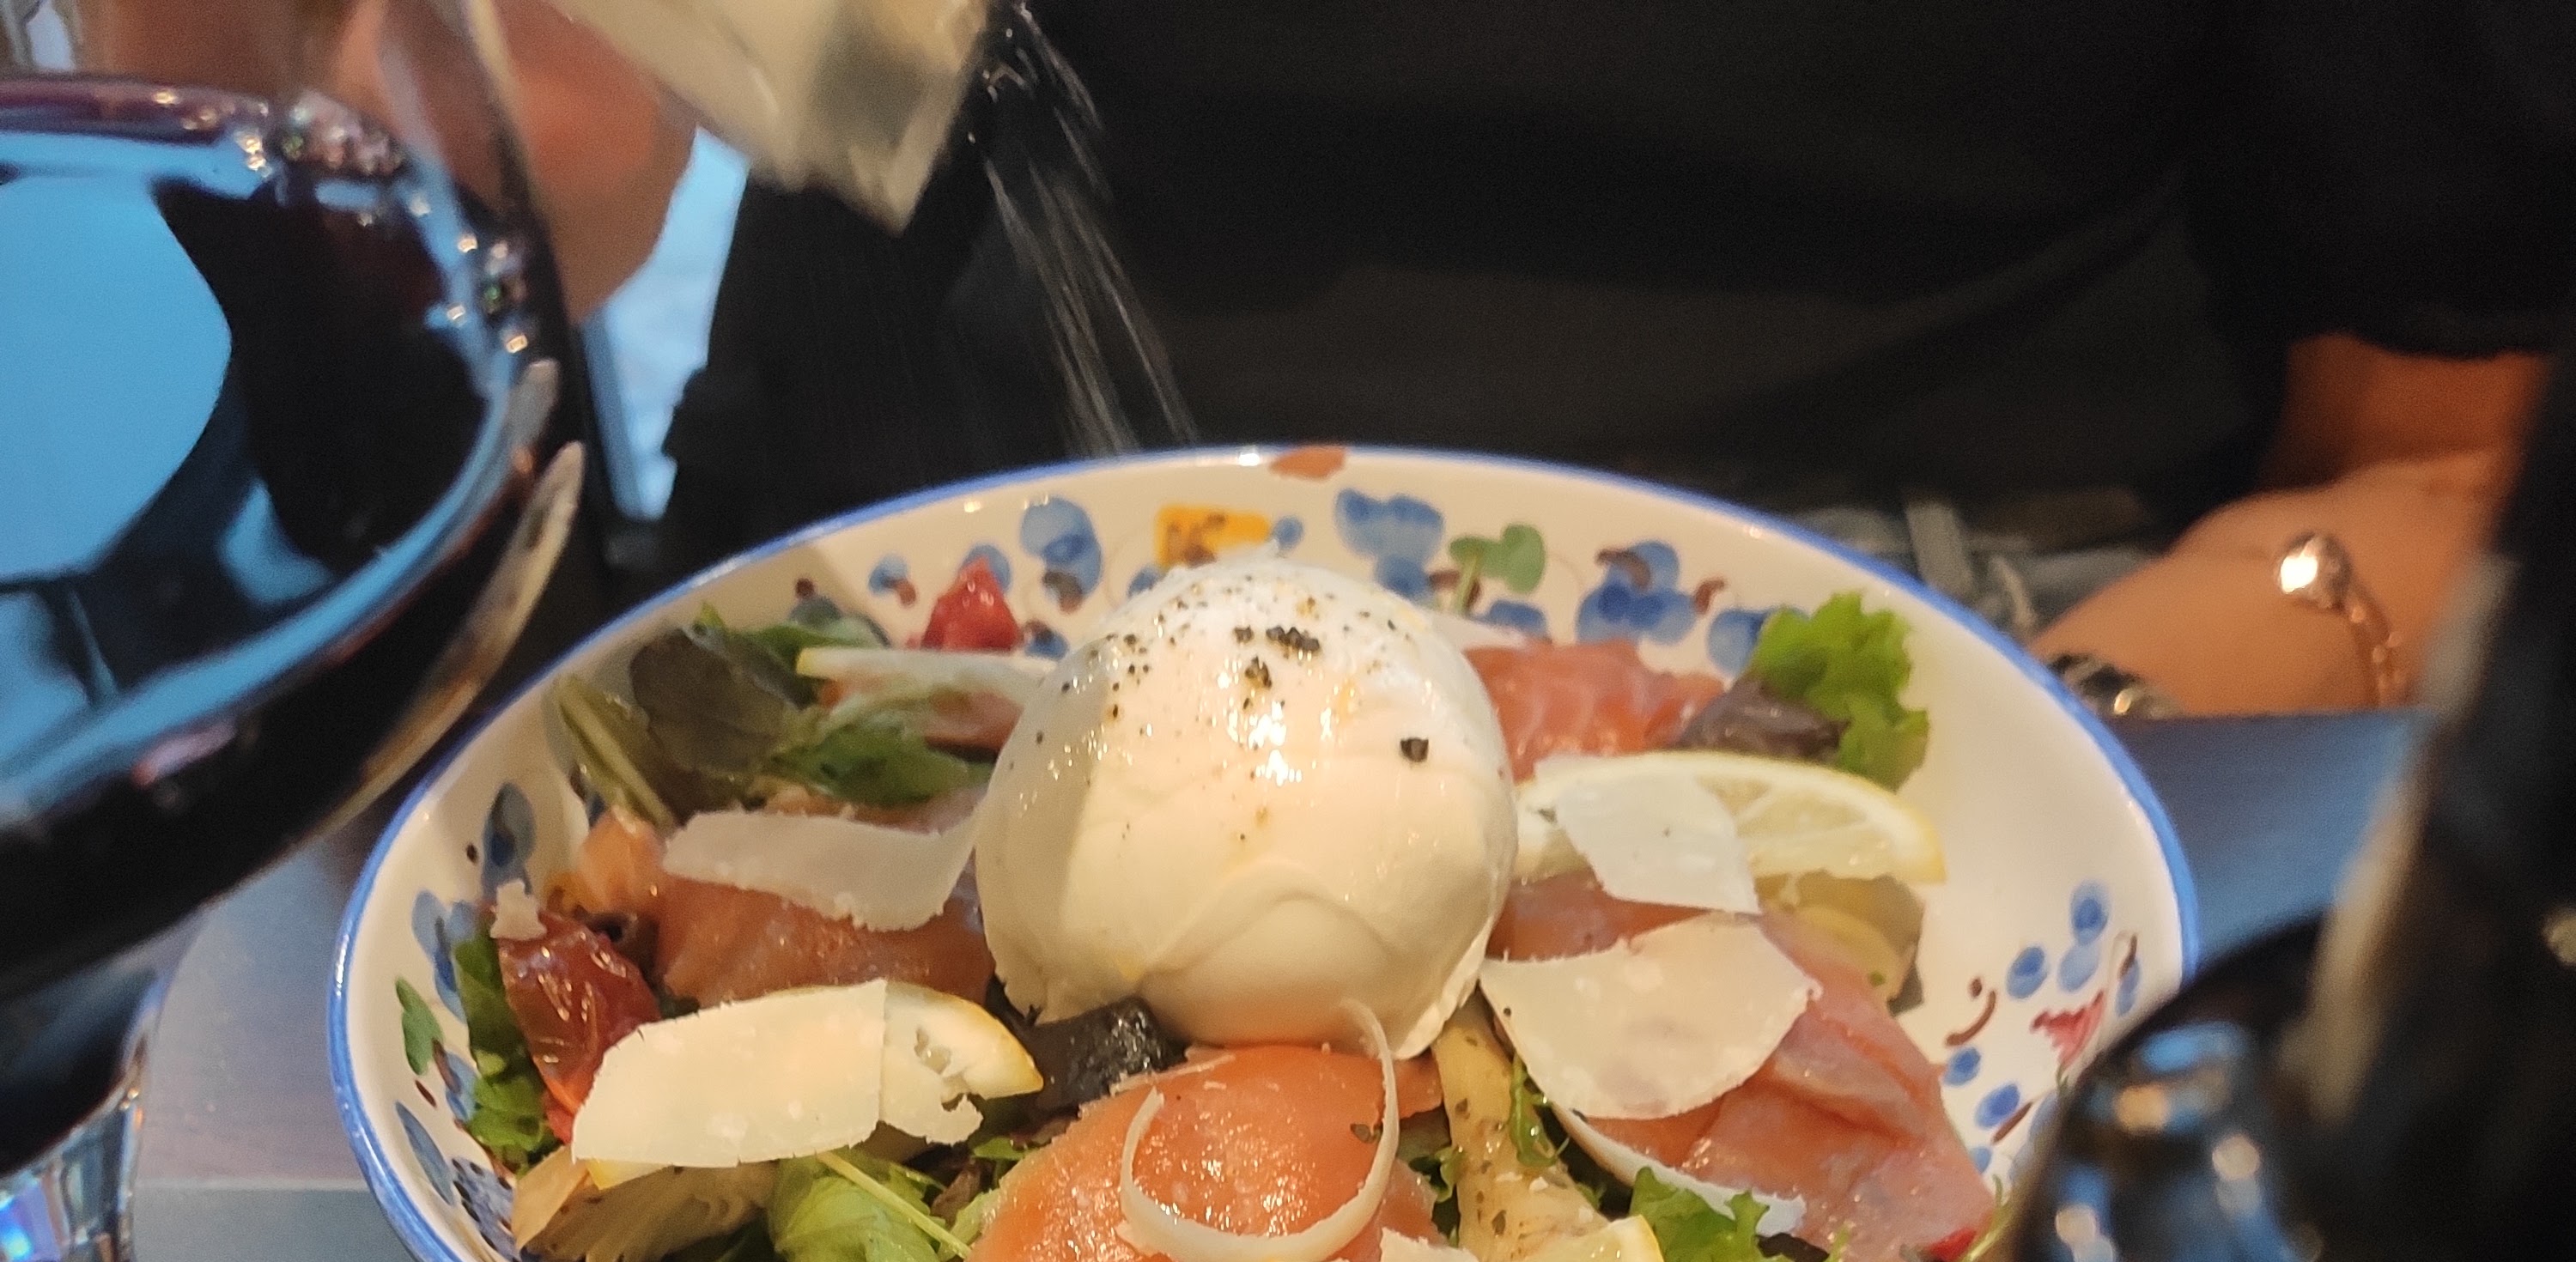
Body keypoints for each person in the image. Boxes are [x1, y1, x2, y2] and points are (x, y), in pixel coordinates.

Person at [525, 0, 2573, 714]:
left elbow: (2442, 465)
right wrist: (490, 114)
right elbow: (524, 154)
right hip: (930, 597)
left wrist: (2002, 777)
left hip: (1968, 630)